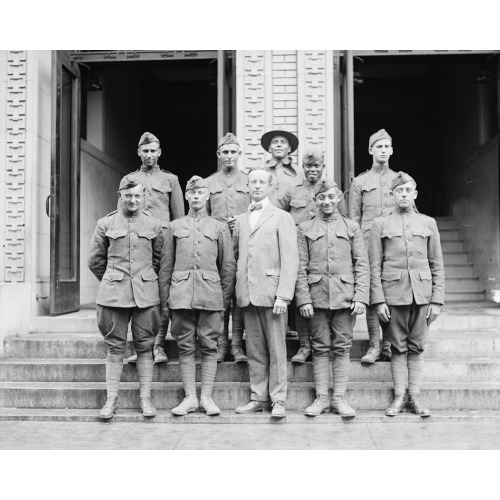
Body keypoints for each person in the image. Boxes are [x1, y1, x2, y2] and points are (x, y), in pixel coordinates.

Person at [369, 172, 444, 417]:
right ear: (392, 195)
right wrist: (379, 300)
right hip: (393, 297)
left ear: (415, 194)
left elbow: (437, 264)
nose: (403, 195)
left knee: (417, 347)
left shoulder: (428, 223)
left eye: (408, 191)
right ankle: (399, 397)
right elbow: (374, 265)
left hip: (422, 295)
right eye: (399, 191)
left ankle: (415, 397)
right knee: (398, 347)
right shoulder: (380, 224)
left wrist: (436, 300)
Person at [159, 176, 235, 416]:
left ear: (207, 196)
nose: (196, 197)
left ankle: (207, 397)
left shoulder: (219, 227)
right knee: (185, 346)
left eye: (200, 192)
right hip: (180, 296)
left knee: (210, 346)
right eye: (192, 193)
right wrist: (165, 300)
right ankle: (190, 397)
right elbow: (165, 266)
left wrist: (222, 300)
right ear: (186, 197)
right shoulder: (174, 226)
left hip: (211, 297)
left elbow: (228, 267)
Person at [88, 177, 163, 419]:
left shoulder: (154, 224)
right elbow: (95, 261)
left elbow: (160, 260)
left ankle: (145, 399)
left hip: (146, 296)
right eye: (128, 195)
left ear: (144, 197)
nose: (132, 200)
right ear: (120, 195)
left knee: (145, 347)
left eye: (137, 196)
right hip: (113, 296)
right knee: (114, 348)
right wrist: (112, 279)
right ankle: (111, 400)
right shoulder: (105, 223)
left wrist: (146, 279)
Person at [295, 179, 369, 417]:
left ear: (338, 198)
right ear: (315, 201)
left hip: (345, 298)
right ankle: (321, 398)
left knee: (342, 347)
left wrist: (360, 296)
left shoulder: (352, 227)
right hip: (316, 299)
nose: (326, 202)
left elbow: (362, 264)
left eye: (331, 197)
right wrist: (304, 299)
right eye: (321, 198)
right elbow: (300, 267)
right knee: (319, 347)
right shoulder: (304, 229)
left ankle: (338, 398)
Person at [233, 167, 299, 418]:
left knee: (277, 349)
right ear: (247, 187)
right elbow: (237, 258)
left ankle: (278, 399)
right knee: (255, 349)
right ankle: (258, 397)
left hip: (273, 296)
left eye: (262, 181)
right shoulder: (240, 219)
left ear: (270, 186)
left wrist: (284, 295)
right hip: (248, 293)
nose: (257, 186)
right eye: (253, 182)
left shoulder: (282, 217)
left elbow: (290, 258)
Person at [278, 147, 346, 364]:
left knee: (318, 296)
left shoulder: (331, 190)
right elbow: (275, 213)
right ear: (303, 168)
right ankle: (305, 345)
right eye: (308, 166)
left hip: (323, 251)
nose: (312, 170)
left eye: (316, 165)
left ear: (323, 167)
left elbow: (341, 219)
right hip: (295, 249)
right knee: (300, 296)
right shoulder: (292, 191)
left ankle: (324, 342)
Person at [125, 132, 185, 366]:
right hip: (138, 244)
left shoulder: (171, 180)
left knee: (163, 293)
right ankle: (141, 348)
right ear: (138, 152)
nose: (149, 155)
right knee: (138, 294)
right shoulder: (129, 179)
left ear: (159, 153)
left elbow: (179, 218)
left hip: (164, 243)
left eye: (153, 151)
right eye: (145, 151)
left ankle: (159, 344)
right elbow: (122, 215)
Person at [349, 129, 398, 364]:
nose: (383, 151)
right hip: (368, 245)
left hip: (393, 244)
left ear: (392, 150)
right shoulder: (359, 182)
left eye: (387, 146)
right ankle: (374, 346)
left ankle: (389, 344)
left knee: (390, 292)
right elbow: (353, 220)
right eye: (379, 147)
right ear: (370, 150)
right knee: (371, 294)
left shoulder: (400, 179)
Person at [206, 133, 250, 363]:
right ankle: (220, 345)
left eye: (234, 152)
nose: (229, 156)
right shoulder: (208, 183)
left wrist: (243, 219)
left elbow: (258, 213)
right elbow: (201, 218)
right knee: (221, 296)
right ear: (219, 154)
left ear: (239, 154)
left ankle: (237, 346)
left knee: (240, 295)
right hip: (217, 247)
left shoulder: (250, 181)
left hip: (243, 246)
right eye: (225, 152)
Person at [260, 129, 304, 206]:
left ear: (289, 148)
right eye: (275, 142)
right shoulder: (261, 172)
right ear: (269, 148)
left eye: (283, 142)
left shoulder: (299, 173)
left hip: (291, 217)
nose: (279, 145)